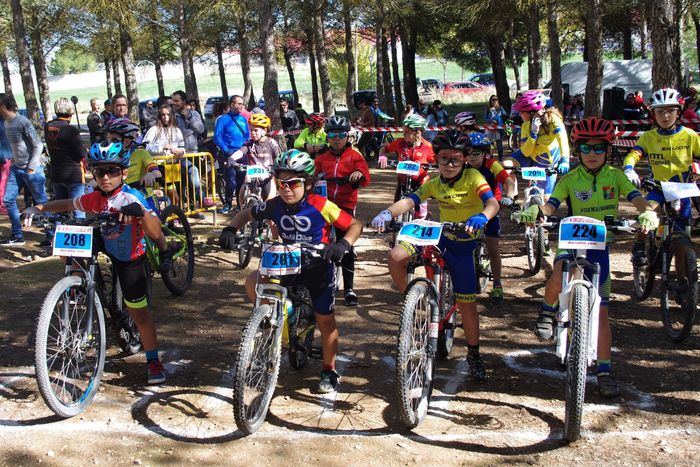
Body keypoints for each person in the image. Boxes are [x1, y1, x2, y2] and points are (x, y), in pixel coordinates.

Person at [519, 117, 659, 397]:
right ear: (578, 150)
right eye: (585, 149)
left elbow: (637, 198)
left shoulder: (616, 176)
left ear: (608, 150)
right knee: (560, 271)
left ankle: (604, 370)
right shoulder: (570, 178)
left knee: (603, 314)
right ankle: (548, 311)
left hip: (600, 247)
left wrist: (647, 211)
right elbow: (552, 204)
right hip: (572, 241)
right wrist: (538, 211)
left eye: (598, 149)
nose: (592, 155)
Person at [22, 141, 173, 384]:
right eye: (99, 171)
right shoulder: (95, 198)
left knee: (139, 314)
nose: (105, 177)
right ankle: (82, 285)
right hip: (106, 239)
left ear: (123, 173)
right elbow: (68, 204)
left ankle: (153, 360)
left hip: (130, 254)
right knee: (70, 243)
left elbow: (155, 232)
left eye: (112, 171)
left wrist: (141, 213)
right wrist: (40, 207)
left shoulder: (130, 197)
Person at [219, 149, 363, 393]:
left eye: (293, 183)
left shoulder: (320, 204)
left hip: (317, 266)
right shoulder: (274, 205)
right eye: (281, 183)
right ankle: (267, 321)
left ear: (307, 184)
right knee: (251, 281)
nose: (286, 188)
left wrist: (343, 244)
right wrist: (230, 229)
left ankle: (329, 369)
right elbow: (246, 213)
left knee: (325, 320)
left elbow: (355, 225)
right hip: (285, 263)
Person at [371, 129, 500, 382]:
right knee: (397, 255)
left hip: (464, 240)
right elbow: (410, 200)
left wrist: (483, 216)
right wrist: (387, 212)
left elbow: (492, 202)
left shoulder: (474, 177)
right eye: (444, 159)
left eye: (456, 159)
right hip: (441, 235)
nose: (450, 165)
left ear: (465, 159)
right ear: (436, 160)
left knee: (467, 305)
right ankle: (410, 301)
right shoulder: (435, 182)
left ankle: (474, 354)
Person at [623, 88, 700, 263]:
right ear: (654, 114)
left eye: (670, 111)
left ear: (678, 112)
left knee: (683, 238)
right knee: (647, 216)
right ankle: (639, 244)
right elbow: (634, 153)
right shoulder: (649, 137)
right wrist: (629, 168)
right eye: (660, 112)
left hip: (682, 190)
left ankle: (683, 280)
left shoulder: (689, 135)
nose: (665, 116)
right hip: (658, 187)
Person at [314, 116, 371, 306]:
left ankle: (349, 289)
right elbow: (311, 176)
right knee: (317, 243)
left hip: (345, 204)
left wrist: (359, 174)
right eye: (332, 135)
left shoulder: (355, 156)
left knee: (346, 246)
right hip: (324, 204)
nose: (336, 139)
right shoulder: (321, 158)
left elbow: (365, 176)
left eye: (341, 135)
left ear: (348, 136)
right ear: (327, 137)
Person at [467, 132, 516, 304]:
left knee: (493, 247)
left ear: (484, 153)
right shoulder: (464, 167)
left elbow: (508, 181)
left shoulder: (492, 165)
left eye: (476, 153)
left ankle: (497, 284)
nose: (471, 157)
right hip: (469, 209)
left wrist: (509, 195)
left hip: (491, 209)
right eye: (468, 153)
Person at [504, 90, 570, 201]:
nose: (519, 114)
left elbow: (562, 138)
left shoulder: (553, 119)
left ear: (531, 112)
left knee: (544, 198)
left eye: (521, 112)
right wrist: (533, 134)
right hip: (529, 154)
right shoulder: (526, 125)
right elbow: (526, 152)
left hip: (547, 159)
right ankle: (511, 198)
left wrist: (565, 159)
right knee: (504, 166)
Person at [0, 93, 47, 246]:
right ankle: (17, 235)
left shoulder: (22, 122)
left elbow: (38, 145)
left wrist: (32, 167)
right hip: (16, 168)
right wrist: (14, 158)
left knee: (42, 203)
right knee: (8, 199)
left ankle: (52, 235)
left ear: (2, 107)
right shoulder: (7, 123)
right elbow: (18, 146)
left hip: (32, 169)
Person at [377, 114, 435, 219]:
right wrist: (382, 155)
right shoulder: (400, 143)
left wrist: (433, 165)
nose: (403, 134)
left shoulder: (427, 147)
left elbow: (435, 161)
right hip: (403, 182)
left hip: (420, 184)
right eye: (403, 131)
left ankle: (422, 220)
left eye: (407, 132)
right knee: (395, 210)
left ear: (418, 132)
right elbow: (384, 147)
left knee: (420, 214)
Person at [44, 98, 87, 220]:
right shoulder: (70, 129)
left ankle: (57, 237)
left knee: (60, 209)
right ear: (70, 112)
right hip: (73, 174)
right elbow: (81, 152)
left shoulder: (48, 126)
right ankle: (80, 237)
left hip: (56, 173)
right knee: (78, 208)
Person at [227, 113, 280, 206]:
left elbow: (280, 157)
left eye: (256, 130)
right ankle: (243, 211)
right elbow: (240, 152)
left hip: (267, 177)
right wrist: (231, 158)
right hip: (251, 177)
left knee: (271, 205)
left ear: (264, 130)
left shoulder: (271, 142)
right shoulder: (249, 143)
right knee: (241, 197)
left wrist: (277, 167)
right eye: (251, 130)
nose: (253, 133)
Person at [172, 90, 208, 217]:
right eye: (173, 100)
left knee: (192, 183)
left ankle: (194, 209)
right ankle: (181, 211)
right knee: (181, 183)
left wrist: (189, 117)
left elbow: (200, 129)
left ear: (184, 102)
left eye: (177, 100)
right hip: (178, 156)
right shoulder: (171, 115)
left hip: (194, 153)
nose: (174, 103)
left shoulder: (194, 114)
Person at [214, 95, 250, 213]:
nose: (241, 106)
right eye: (239, 103)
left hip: (242, 153)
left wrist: (244, 148)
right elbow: (217, 137)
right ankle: (228, 204)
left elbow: (247, 136)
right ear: (232, 104)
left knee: (241, 180)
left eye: (242, 104)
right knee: (230, 181)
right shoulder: (222, 119)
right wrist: (227, 151)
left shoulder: (243, 120)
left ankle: (240, 204)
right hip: (228, 154)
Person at [483, 95, 507, 160]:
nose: (494, 101)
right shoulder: (487, 109)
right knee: (490, 145)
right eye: (492, 100)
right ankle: (490, 159)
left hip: (499, 129)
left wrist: (498, 119)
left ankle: (500, 159)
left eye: (496, 99)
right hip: (490, 129)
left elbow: (505, 117)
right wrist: (491, 120)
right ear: (490, 101)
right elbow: (485, 119)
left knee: (499, 145)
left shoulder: (500, 108)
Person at [0, 116, 12, 215]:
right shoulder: (3, 122)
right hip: (4, 156)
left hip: (6, 155)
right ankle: (2, 204)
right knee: (3, 181)